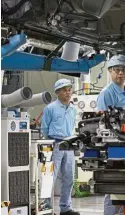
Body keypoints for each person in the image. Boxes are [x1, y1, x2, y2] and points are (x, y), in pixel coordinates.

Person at [96, 54, 125, 215]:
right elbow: (101, 121)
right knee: (115, 184)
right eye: (117, 70)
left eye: (124, 70)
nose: (121, 73)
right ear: (110, 72)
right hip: (114, 146)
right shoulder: (107, 93)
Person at [41, 79, 79, 215]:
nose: (68, 92)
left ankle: (65, 208)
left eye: (69, 89)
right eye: (64, 90)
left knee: (69, 178)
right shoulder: (50, 108)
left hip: (68, 146)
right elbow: (44, 129)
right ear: (57, 92)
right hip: (54, 145)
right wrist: (48, 145)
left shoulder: (73, 109)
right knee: (49, 178)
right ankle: (45, 209)